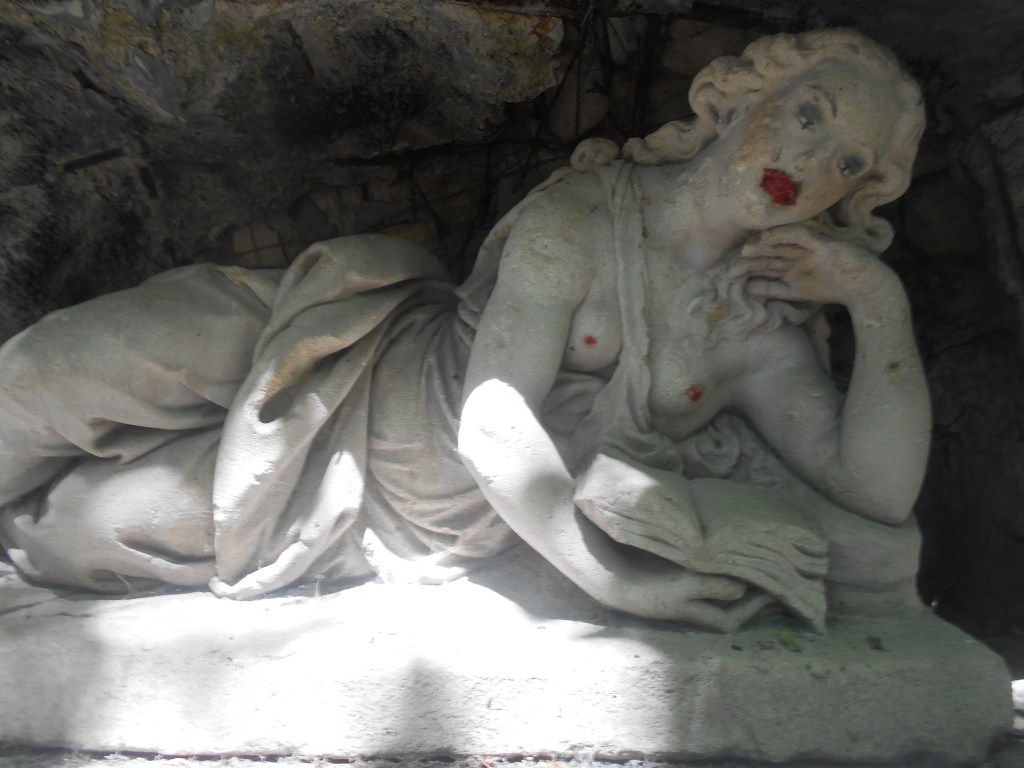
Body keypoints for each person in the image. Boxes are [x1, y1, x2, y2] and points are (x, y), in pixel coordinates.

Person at [0, 28, 929, 632]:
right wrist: (616, 581)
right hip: (353, 348)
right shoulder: (585, 213)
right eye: (807, 116)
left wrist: (877, 302)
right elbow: (494, 417)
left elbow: (878, 493)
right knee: (54, 370)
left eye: (849, 164)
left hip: (398, 510)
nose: (811, 162)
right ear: (737, 103)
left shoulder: (756, 331)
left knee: (73, 533)